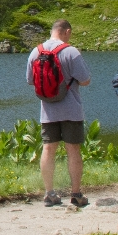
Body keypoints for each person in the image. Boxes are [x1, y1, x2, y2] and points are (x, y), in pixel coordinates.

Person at [26, 19, 92, 207]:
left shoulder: (36, 51)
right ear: (67, 31)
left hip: (47, 110)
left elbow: (30, 81)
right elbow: (86, 80)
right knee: (73, 150)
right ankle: (76, 194)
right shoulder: (71, 51)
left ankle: (49, 193)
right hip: (72, 109)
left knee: (48, 149)